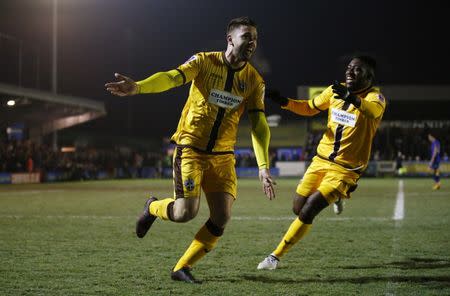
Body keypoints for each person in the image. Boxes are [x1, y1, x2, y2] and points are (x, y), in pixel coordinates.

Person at [105, 16, 275, 283]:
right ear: (230, 39)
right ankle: (153, 208)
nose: (252, 42)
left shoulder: (254, 81)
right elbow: (172, 78)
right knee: (185, 213)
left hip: (223, 156)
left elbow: (259, 124)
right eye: (246, 36)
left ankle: (182, 267)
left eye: (255, 38)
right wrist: (138, 87)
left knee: (222, 216)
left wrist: (263, 167)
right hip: (191, 149)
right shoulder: (204, 61)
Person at [257, 55, 386, 270]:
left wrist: (352, 98)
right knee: (298, 208)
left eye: (357, 70)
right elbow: (309, 107)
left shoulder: (376, 98)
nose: (350, 72)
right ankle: (336, 200)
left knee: (309, 209)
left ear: (369, 77)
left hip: (345, 170)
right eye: (349, 68)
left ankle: (274, 257)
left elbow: (371, 111)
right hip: (320, 161)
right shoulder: (334, 91)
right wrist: (283, 102)